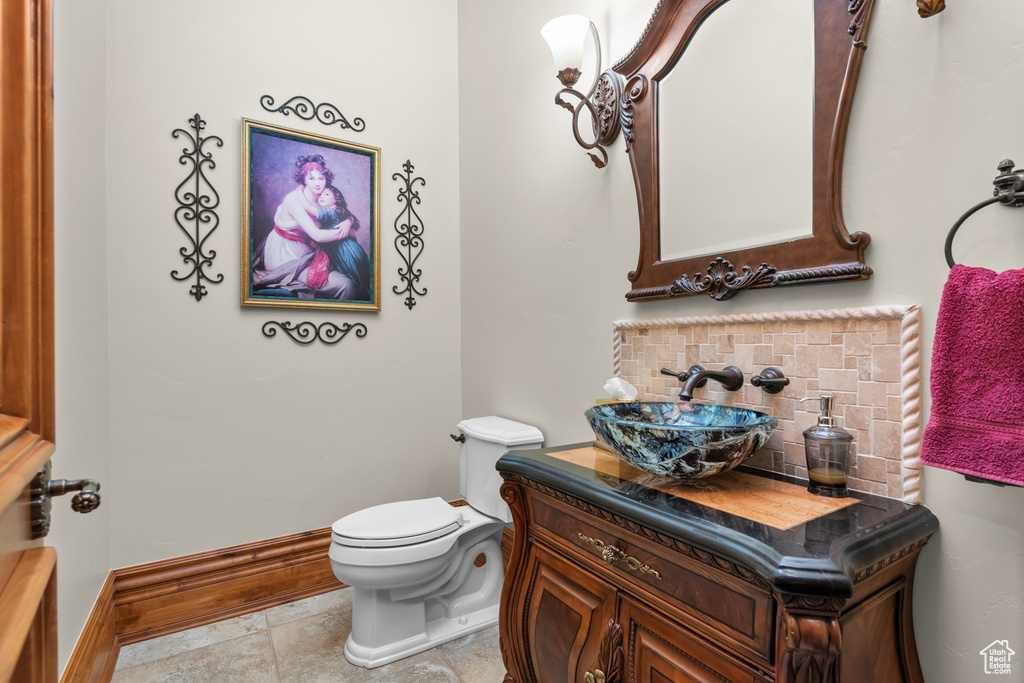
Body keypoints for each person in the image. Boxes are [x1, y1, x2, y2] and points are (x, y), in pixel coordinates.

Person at [251, 154, 355, 299]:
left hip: (308, 252)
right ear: (303, 180)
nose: (317, 183)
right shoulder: (293, 200)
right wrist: (345, 231)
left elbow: (342, 211)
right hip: (285, 257)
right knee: (344, 284)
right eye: (311, 178)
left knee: (349, 275)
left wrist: (348, 221)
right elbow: (317, 235)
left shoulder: (324, 198)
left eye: (321, 178)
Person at [316, 185, 372, 301]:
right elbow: (352, 219)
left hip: (346, 253)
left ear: (336, 200)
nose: (321, 196)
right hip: (354, 250)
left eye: (326, 194)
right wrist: (349, 220)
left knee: (355, 281)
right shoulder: (341, 212)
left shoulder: (330, 211)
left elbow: (308, 208)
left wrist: (297, 196)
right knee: (360, 282)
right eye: (320, 194)